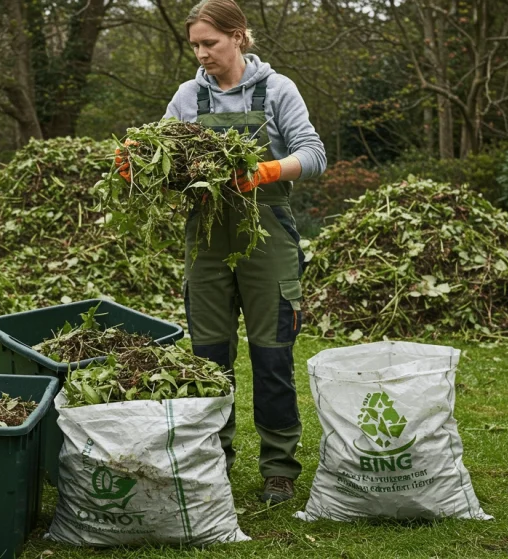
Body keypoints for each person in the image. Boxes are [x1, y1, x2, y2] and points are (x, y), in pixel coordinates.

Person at [120, 0, 326, 504]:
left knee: (272, 356)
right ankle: (212, 462)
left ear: (238, 36)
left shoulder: (278, 89)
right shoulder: (188, 96)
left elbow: (314, 154)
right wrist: (139, 164)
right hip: (207, 241)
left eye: (209, 43)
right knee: (209, 359)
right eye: (194, 44)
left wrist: (267, 171)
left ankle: (279, 467)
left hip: (268, 238)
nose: (201, 53)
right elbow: (162, 152)